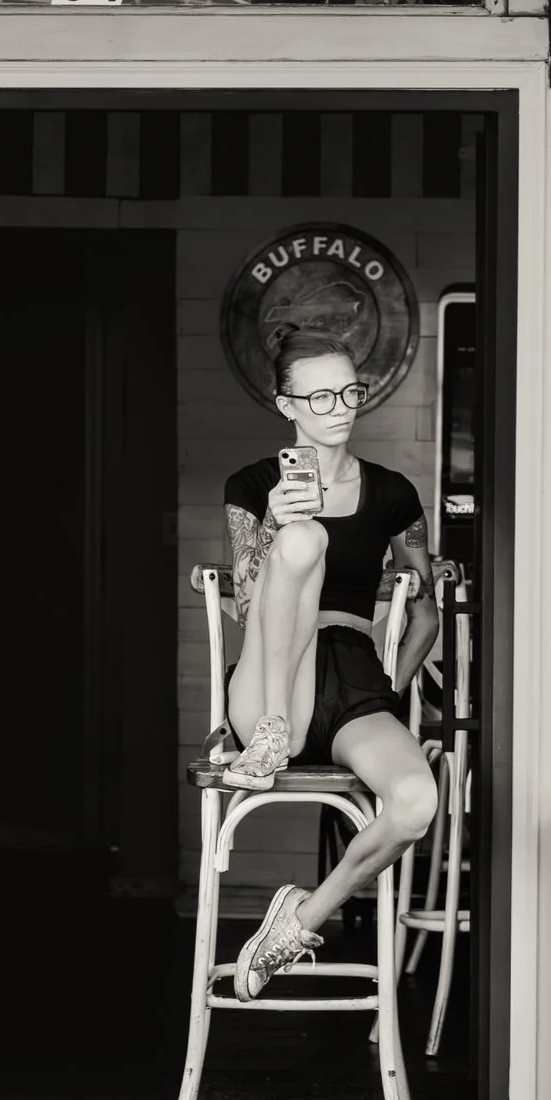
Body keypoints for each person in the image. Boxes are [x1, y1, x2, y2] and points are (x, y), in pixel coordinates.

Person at [218, 329, 440, 1001]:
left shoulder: (393, 493)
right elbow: (243, 599)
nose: (339, 406)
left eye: (349, 390)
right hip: (270, 678)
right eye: (319, 395)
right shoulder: (254, 484)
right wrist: (273, 531)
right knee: (305, 537)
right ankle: (275, 730)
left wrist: (390, 692)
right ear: (287, 404)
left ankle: (301, 918)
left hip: (353, 675)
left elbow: (425, 613)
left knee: (415, 800)